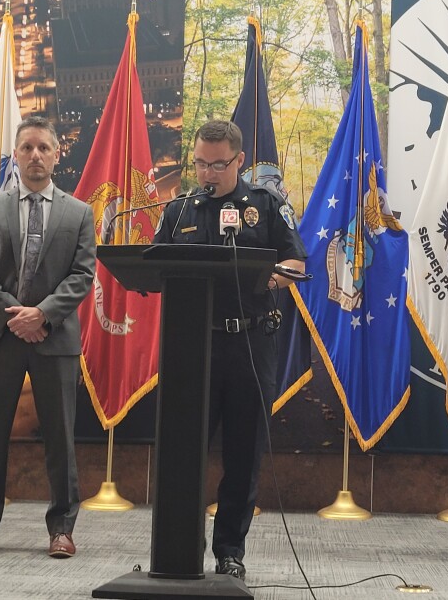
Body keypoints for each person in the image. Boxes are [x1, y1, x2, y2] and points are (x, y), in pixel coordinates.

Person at [153, 120, 306, 580]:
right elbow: (155, 264)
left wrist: (267, 278)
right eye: (200, 163)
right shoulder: (180, 210)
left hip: (250, 344)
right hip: (192, 345)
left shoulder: (266, 206)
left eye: (217, 164)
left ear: (239, 161)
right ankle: (183, 544)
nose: (207, 173)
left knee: (243, 453)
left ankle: (229, 550)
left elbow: (296, 261)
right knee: (184, 451)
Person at [0, 116, 96, 558]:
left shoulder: (80, 212)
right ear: (16, 154)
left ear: (56, 155)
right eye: (27, 148)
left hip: (54, 338)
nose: (35, 156)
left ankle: (62, 530)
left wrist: (42, 315)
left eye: (44, 148)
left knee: (60, 436)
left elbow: (82, 274)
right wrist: (15, 315)